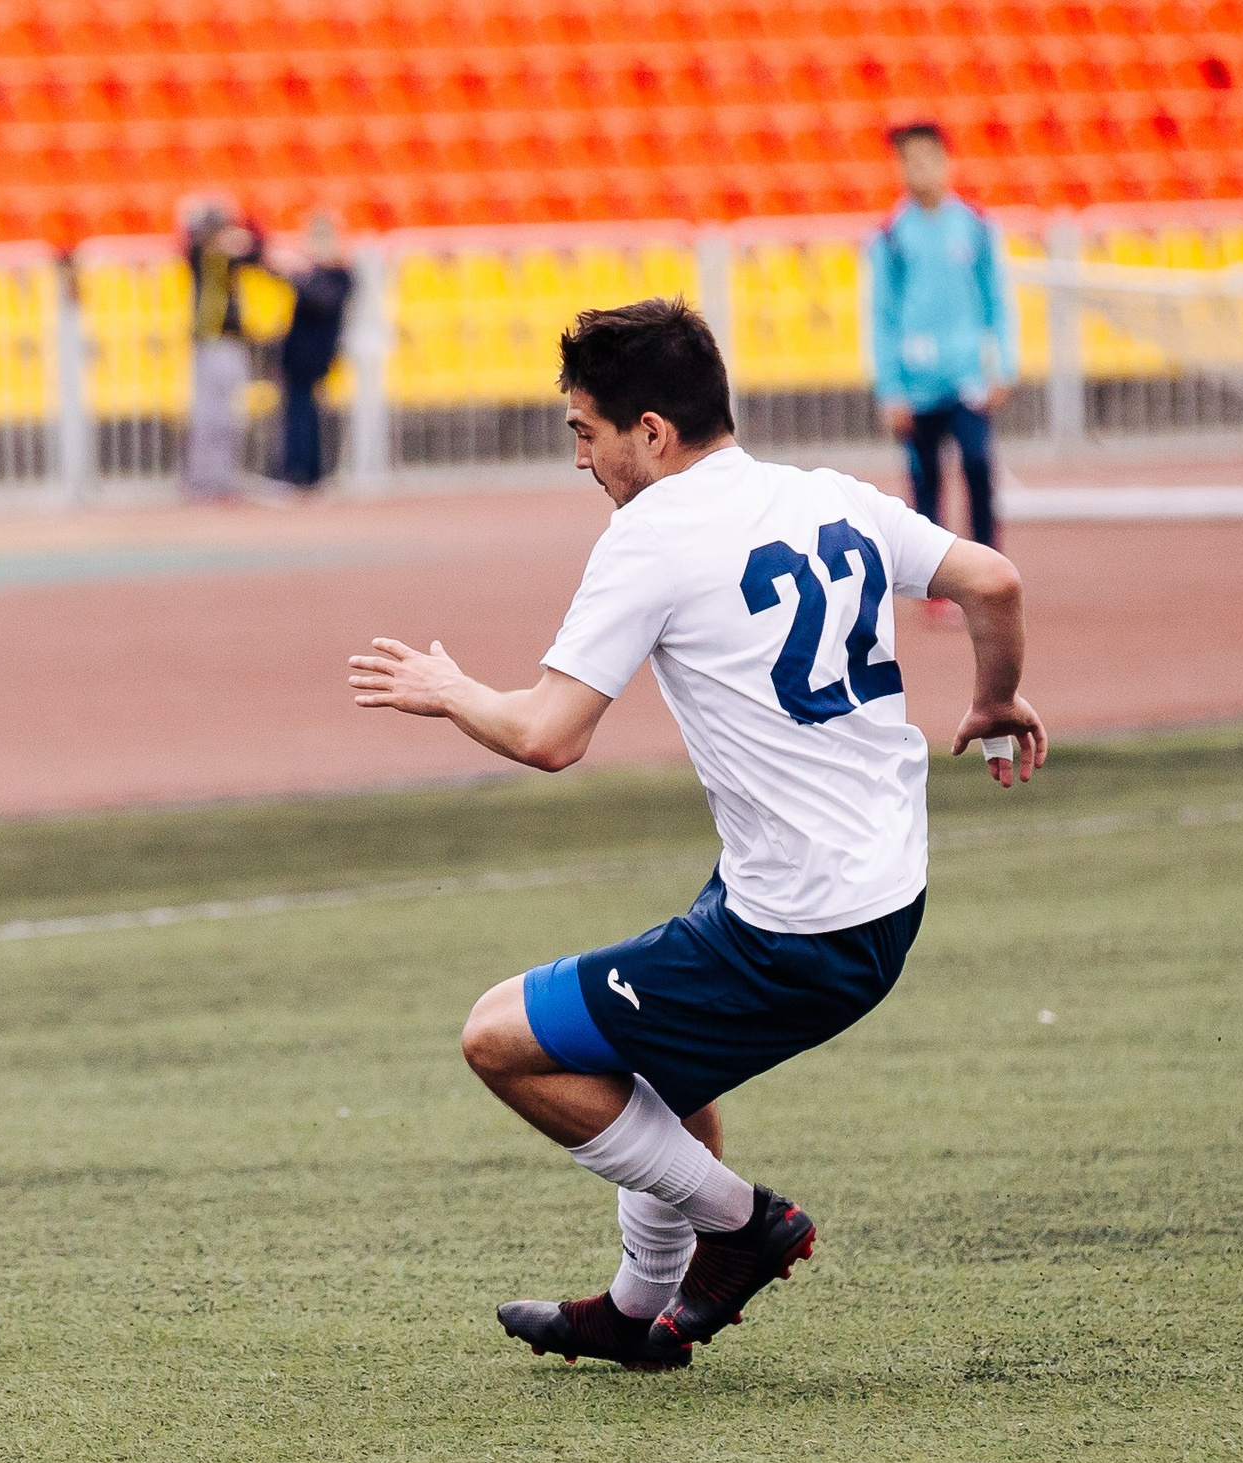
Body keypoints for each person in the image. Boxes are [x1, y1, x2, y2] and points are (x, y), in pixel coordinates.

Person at [347, 299, 1046, 1369]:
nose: (580, 459)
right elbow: (989, 579)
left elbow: (547, 736)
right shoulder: (824, 496)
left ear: (652, 433)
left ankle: (739, 1223)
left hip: (794, 927)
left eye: (585, 432)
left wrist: (446, 690)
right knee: (650, 1057)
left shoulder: (653, 536)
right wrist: (995, 699)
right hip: (880, 892)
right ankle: (638, 1313)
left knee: (498, 1037)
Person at [868, 123, 1018, 593]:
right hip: (916, 384)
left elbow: (998, 298)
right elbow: (882, 316)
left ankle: (989, 567)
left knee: (977, 465)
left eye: (929, 158)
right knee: (925, 480)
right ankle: (936, 584)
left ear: (946, 162)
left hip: (966, 375)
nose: (921, 170)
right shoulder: (891, 235)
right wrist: (889, 388)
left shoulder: (973, 225)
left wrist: (1005, 364)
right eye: (910, 161)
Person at [183, 201, 262, 500]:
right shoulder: (202, 257)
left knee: (228, 418)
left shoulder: (229, 260)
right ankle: (202, 480)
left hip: (229, 343)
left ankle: (222, 478)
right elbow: (188, 243)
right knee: (208, 418)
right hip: (210, 343)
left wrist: (251, 223)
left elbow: (257, 252)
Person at [275, 211, 355, 490]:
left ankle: (303, 471)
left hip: (312, 353)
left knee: (303, 412)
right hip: (305, 352)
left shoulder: (335, 274)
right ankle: (305, 470)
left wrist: (300, 276)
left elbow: (322, 302)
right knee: (303, 410)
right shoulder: (323, 273)